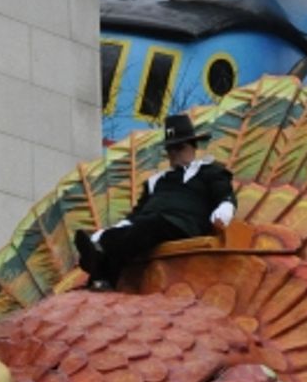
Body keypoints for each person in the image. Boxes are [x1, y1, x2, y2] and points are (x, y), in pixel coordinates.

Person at [75, 112, 236, 289]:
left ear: (192, 146)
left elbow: (225, 196)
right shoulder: (156, 181)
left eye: (179, 147)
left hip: (184, 225)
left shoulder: (210, 172)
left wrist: (225, 208)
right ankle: (100, 270)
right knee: (131, 230)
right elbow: (136, 214)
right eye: (170, 149)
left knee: (147, 226)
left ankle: (101, 268)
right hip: (149, 223)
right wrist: (109, 231)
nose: (173, 153)